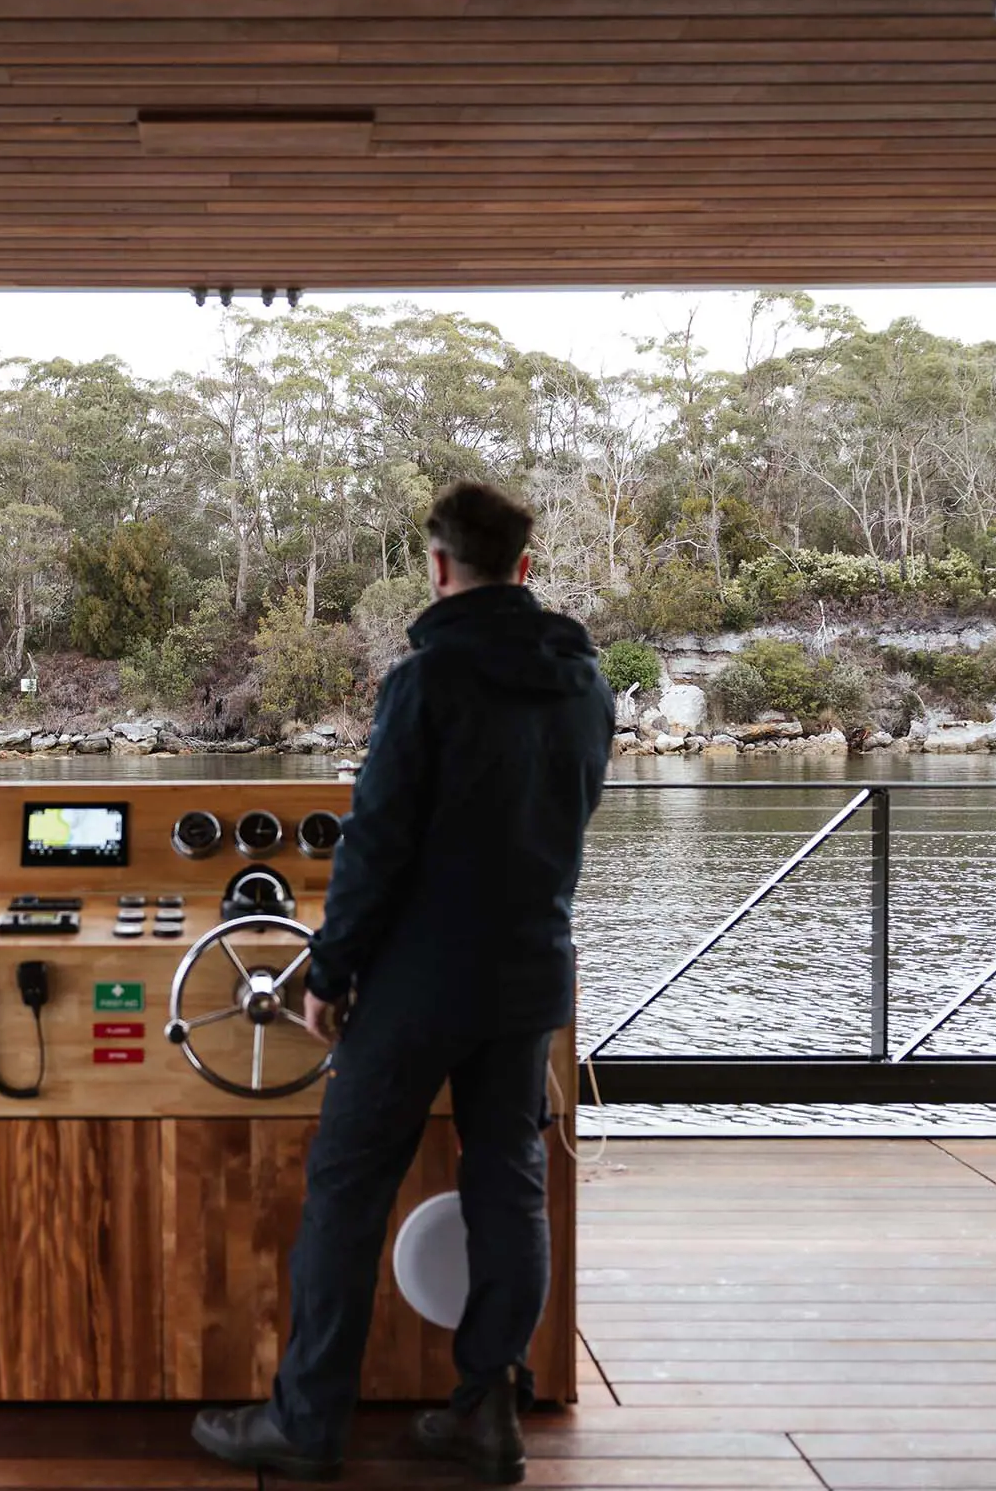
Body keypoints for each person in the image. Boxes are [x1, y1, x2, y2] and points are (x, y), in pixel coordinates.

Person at [192, 480, 615, 1484]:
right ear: (523, 566)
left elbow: (376, 845)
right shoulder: (584, 683)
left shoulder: (425, 683)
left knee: (346, 1191)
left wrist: (328, 972)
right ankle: (486, 1409)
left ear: (437, 565)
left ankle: (306, 1423)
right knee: (509, 1191)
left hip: (419, 982)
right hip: (526, 978)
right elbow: (571, 822)